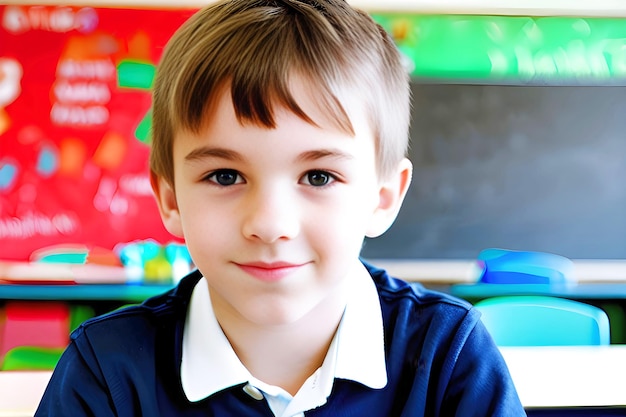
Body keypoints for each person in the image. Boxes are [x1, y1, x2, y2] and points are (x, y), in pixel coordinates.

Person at [36, 0, 525, 415]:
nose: (269, 224)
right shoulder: (107, 372)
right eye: (224, 176)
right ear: (170, 198)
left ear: (383, 197)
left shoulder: (448, 356)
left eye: (318, 176)